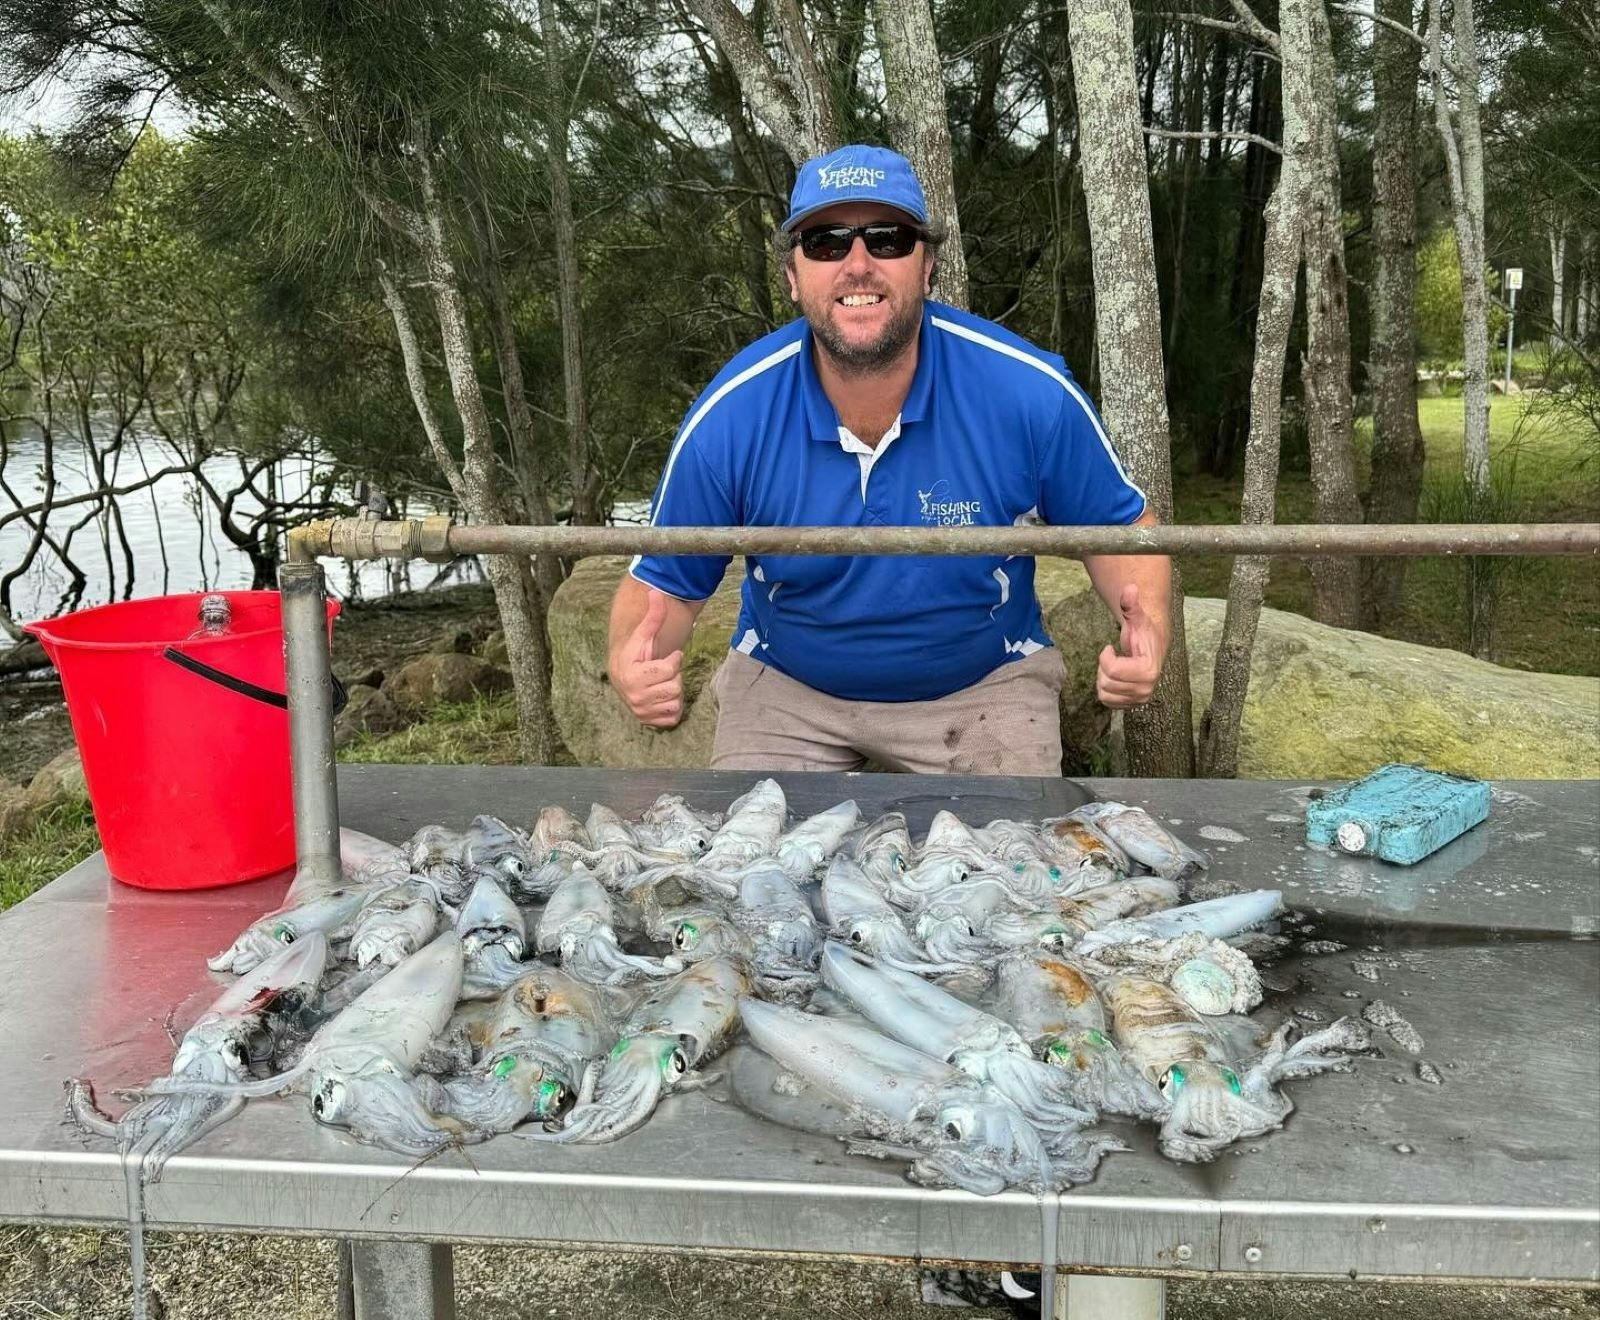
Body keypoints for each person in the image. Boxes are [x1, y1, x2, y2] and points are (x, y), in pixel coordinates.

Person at [608, 144, 1170, 775]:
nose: (857, 264)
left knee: (1016, 868)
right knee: (753, 870)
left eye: (887, 238)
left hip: (984, 685)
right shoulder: (734, 415)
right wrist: (637, 663)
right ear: (792, 274)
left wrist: (1147, 626)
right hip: (786, 688)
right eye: (825, 242)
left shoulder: (1027, 391)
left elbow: (1123, 531)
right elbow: (662, 585)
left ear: (926, 265)